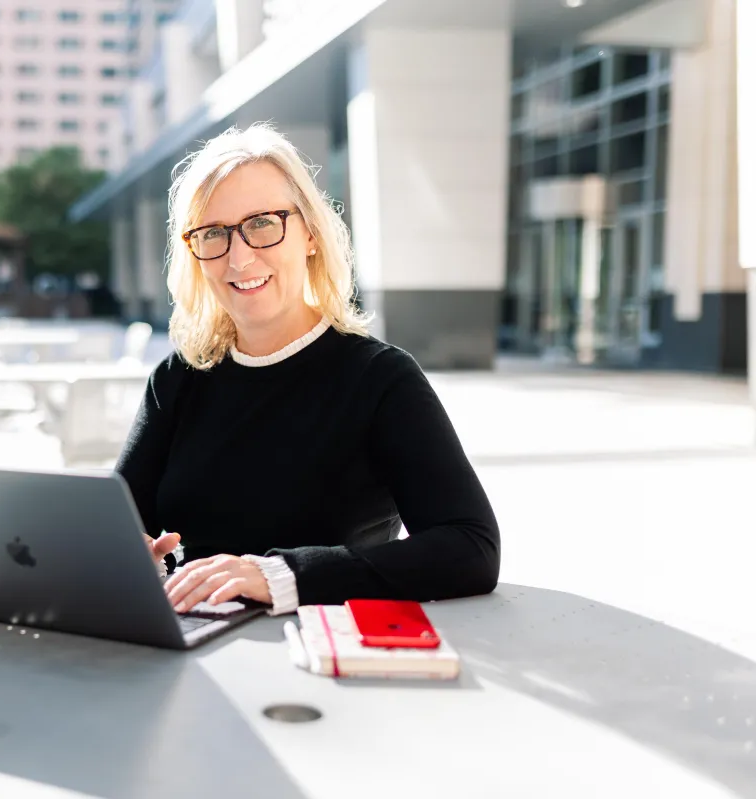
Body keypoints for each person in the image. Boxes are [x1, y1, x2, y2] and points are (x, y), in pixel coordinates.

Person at [115, 123, 500, 617]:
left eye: (262, 223)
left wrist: (279, 575)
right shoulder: (177, 378)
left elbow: (471, 548)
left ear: (311, 235)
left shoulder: (380, 379)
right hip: (192, 649)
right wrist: (131, 555)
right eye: (213, 233)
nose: (239, 256)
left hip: (322, 659)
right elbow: (121, 523)